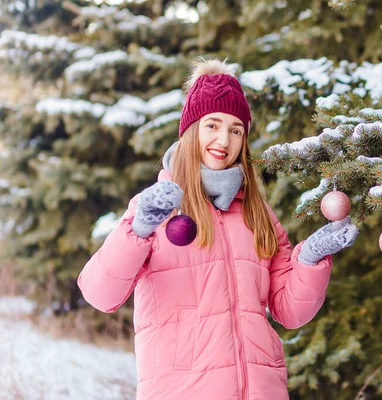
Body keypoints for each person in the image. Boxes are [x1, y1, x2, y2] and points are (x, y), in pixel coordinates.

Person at [77, 58, 359, 400]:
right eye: (212, 125)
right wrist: (138, 229)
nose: (223, 140)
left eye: (236, 130)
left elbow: (289, 311)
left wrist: (311, 259)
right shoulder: (156, 208)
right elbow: (99, 293)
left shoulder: (259, 215)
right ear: (191, 129)